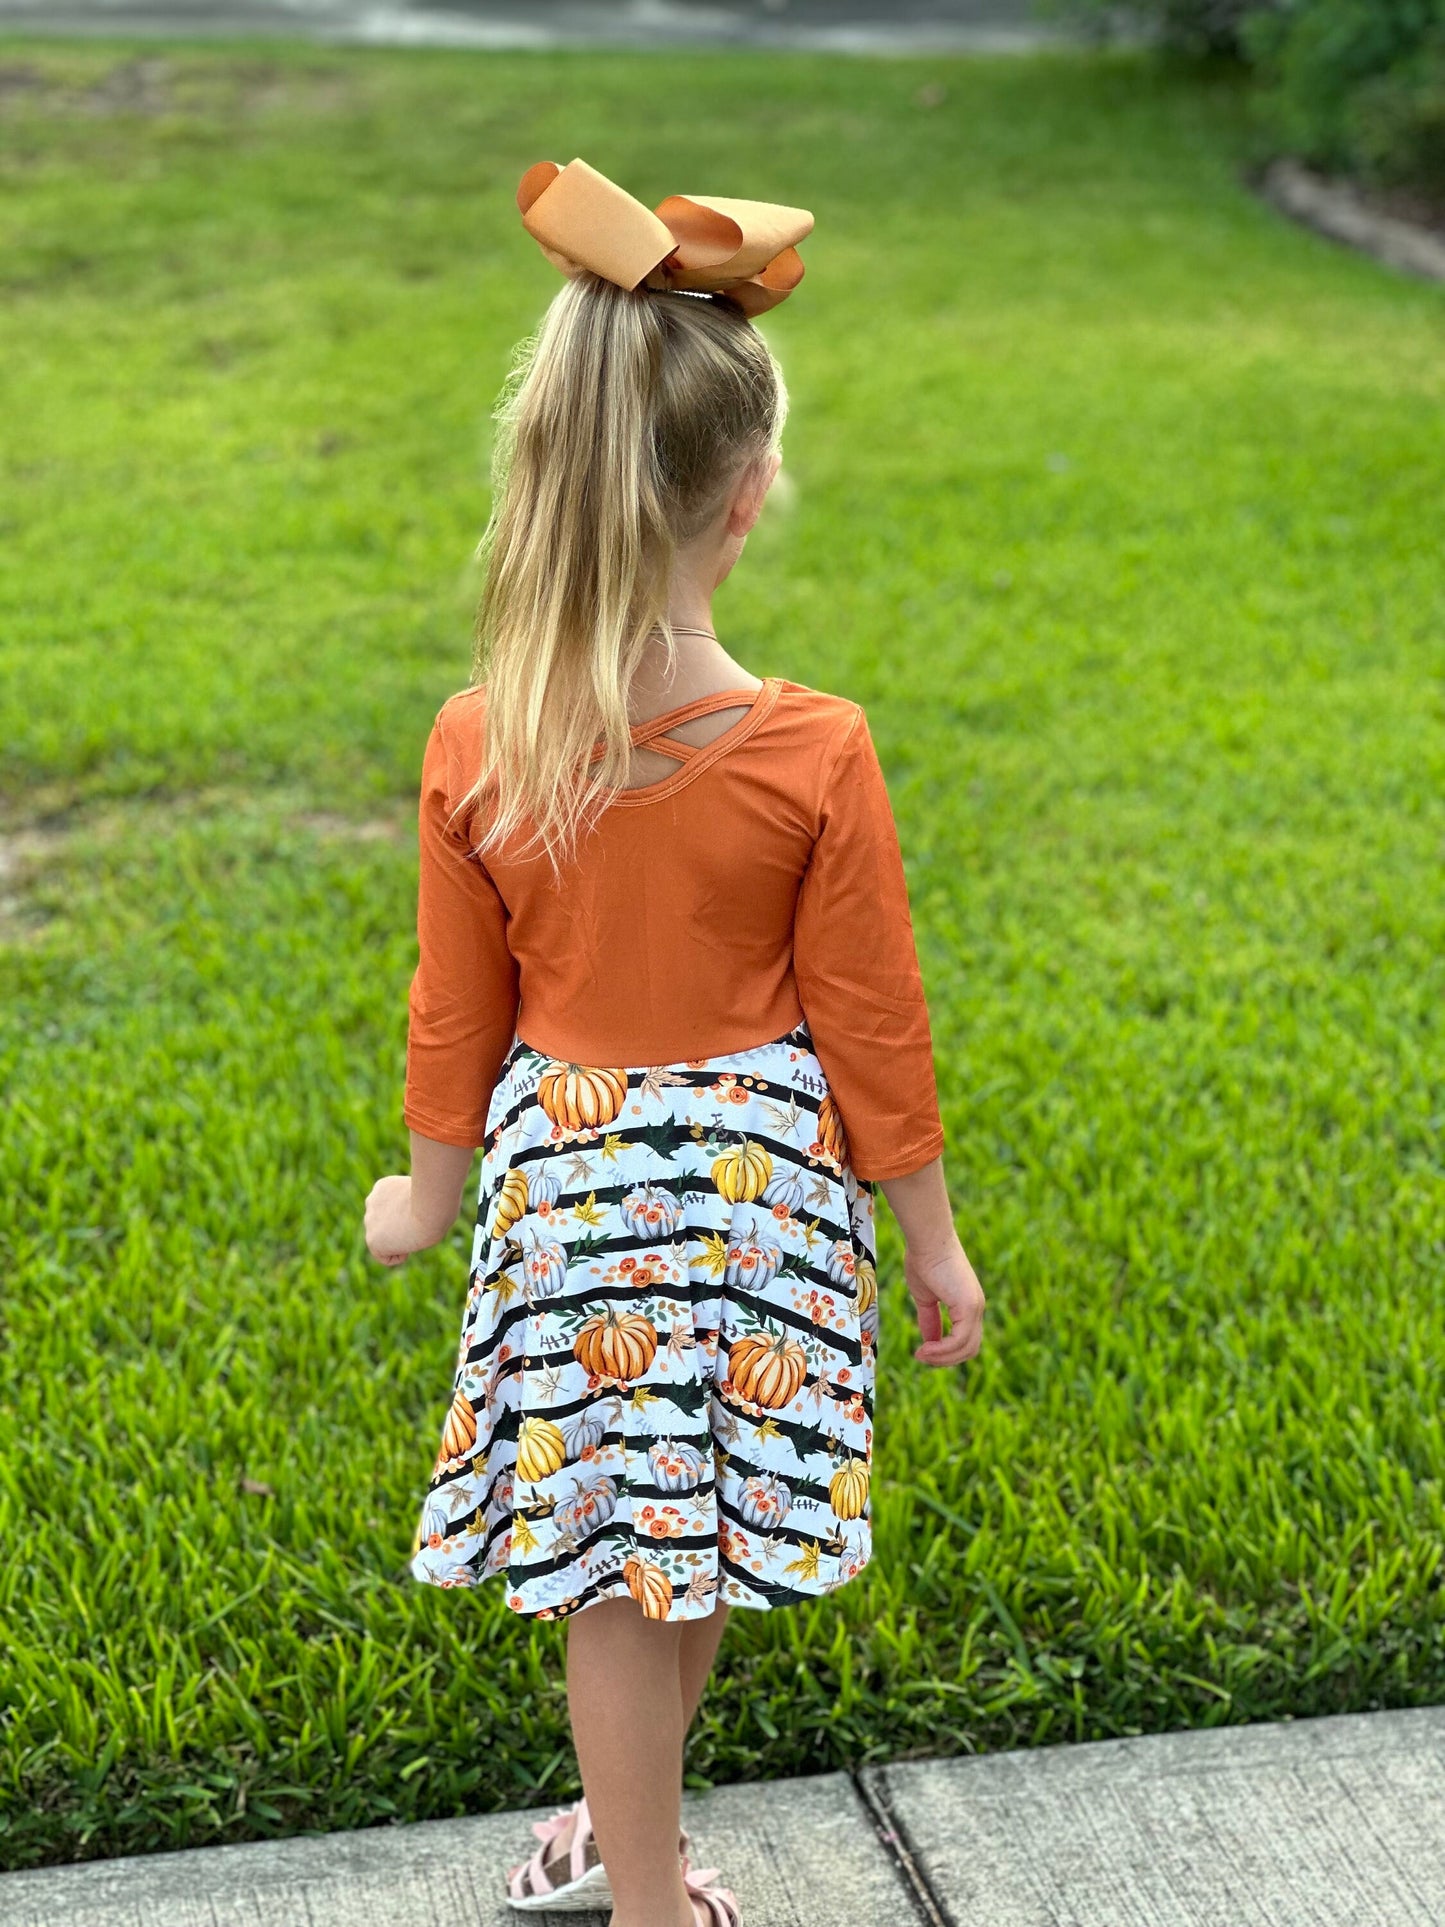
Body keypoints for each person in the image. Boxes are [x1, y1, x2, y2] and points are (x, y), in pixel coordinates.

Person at [364, 158, 985, 1927]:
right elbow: (870, 1023)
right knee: (674, 1565)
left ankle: (614, 1841)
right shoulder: (810, 747)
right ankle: (645, 1895)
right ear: (752, 494)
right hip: (756, 1199)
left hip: (569, 1194)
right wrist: (926, 1243)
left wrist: (423, 1195)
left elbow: (456, 1010)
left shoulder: (481, 738)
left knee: (639, 1574)